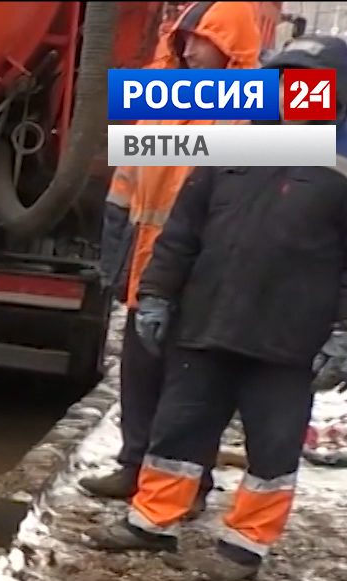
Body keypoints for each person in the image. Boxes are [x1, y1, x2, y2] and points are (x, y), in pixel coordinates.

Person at [87, 34, 347, 581]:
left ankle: (244, 545)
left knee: (272, 446)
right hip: (208, 321)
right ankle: (152, 522)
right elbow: (181, 232)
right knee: (178, 429)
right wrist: (158, 294)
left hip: (290, 339)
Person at [83, 2, 262, 508]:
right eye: (183, 38)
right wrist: (116, 257)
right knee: (140, 378)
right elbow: (126, 187)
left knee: (193, 392)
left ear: (229, 47)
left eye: (200, 39)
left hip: (204, 280)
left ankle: (189, 486)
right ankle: (134, 467)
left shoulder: (250, 116)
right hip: (148, 270)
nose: (188, 47)